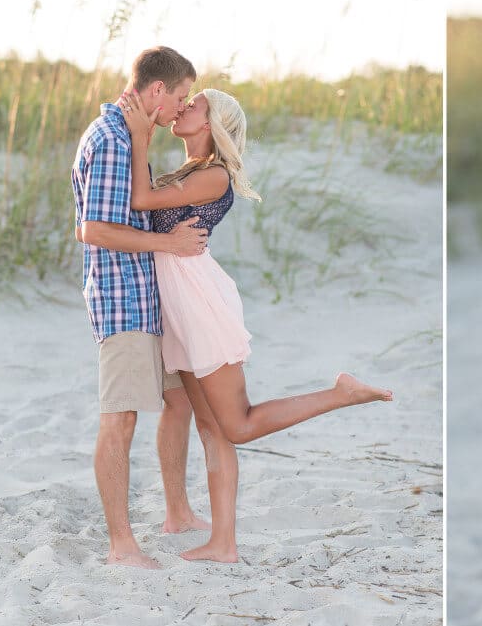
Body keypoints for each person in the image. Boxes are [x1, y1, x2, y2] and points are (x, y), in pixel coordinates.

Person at [117, 86, 393, 564]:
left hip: (200, 306)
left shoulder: (216, 176)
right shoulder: (188, 171)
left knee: (236, 425)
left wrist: (140, 133)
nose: (184, 107)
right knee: (210, 426)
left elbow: (141, 200)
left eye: (195, 104)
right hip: (178, 309)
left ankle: (341, 393)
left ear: (211, 124)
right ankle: (222, 543)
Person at [71, 46, 214, 569]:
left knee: (177, 402)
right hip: (123, 298)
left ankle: (176, 511)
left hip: (148, 296)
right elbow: (95, 230)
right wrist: (169, 244)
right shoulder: (111, 139)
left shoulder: (128, 134)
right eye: (178, 97)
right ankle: (121, 546)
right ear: (157, 91)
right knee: (120, 420)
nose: (181, 108)